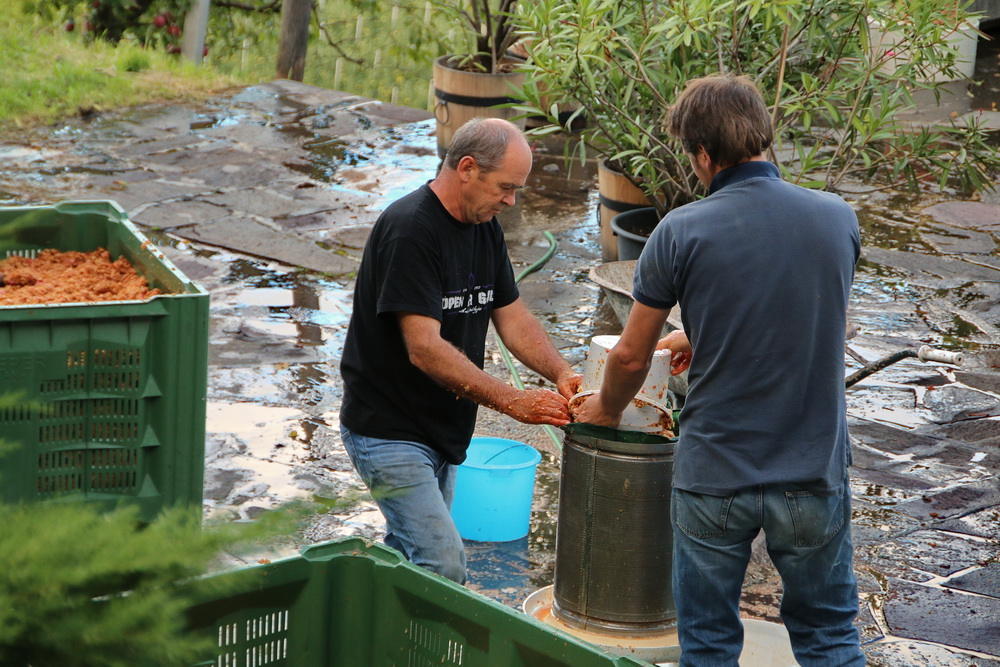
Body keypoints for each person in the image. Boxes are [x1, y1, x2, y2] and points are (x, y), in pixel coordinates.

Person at [573, 73, 865, 666]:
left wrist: (604, 407)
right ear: (763, 133)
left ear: (704, 154)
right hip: (811, 472)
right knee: (829, 636)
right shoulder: (838, 218)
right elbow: (792, 314)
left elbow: (631, 356)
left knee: (707, 643)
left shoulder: (680, 230)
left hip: (716, 476)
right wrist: (697, 335)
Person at [339, 117, 582, 584]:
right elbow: (425, 349)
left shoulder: (483, 224)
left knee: (409, 557)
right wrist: (513, 401)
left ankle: (378, 629)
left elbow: (512, 317)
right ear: (467, 168)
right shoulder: (410, 229)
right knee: (443, 563)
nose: (511, 202)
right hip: (388, 429)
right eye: (505, 187)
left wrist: (561, 372)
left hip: (442, 430)